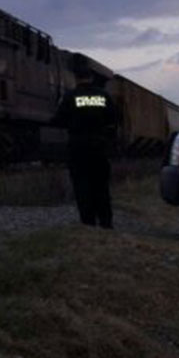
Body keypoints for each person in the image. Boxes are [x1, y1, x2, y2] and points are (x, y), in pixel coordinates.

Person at [52, 55, 119, 228]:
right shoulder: (104, 96)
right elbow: (115, 119)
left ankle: (88, 222)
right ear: (92, 78)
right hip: (100, 147)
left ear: (76, 78)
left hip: (78, 147)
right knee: (101, 186)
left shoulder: (69, 96)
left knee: (82, 186)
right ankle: (106, 222)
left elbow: (58, 120)